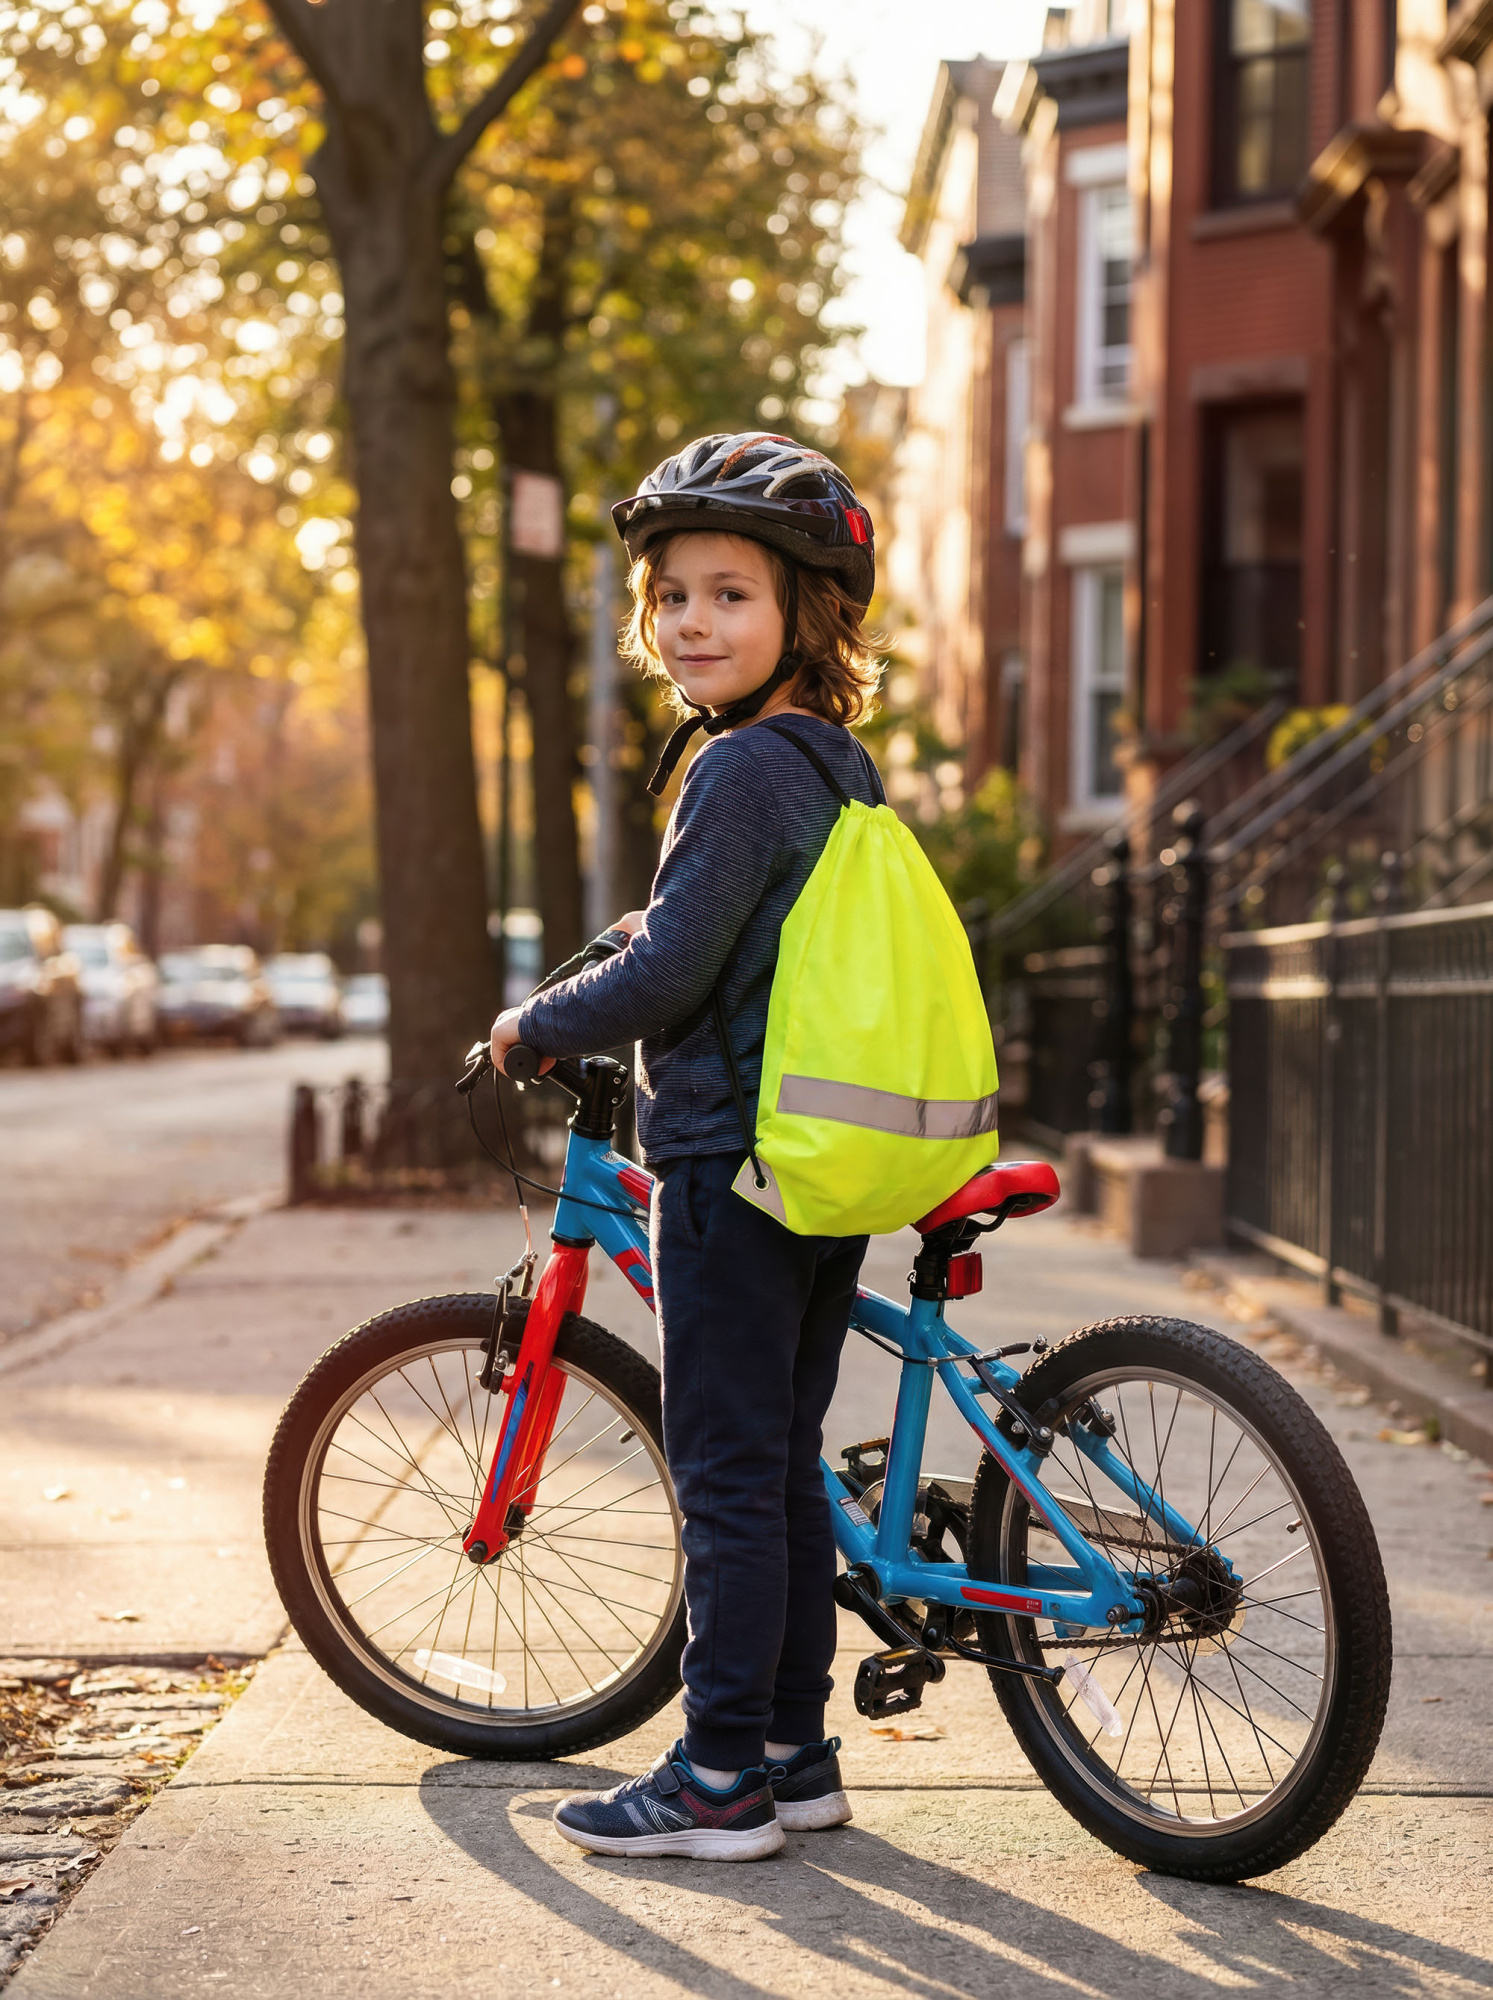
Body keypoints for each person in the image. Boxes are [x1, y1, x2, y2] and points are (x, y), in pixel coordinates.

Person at [488, 433, 883, 1861]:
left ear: (802, 616)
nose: (691, 625)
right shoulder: (834, 764)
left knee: (723, 1469)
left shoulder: (738, 771)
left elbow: (668, 980)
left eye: (729, 596)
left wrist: (534, 1021)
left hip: (728, 1163)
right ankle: (790, 1747)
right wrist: (621, 956)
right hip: (817, 1165)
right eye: (671, 597)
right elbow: (715, 937)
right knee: (776, 1461)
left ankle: (716, 1780)